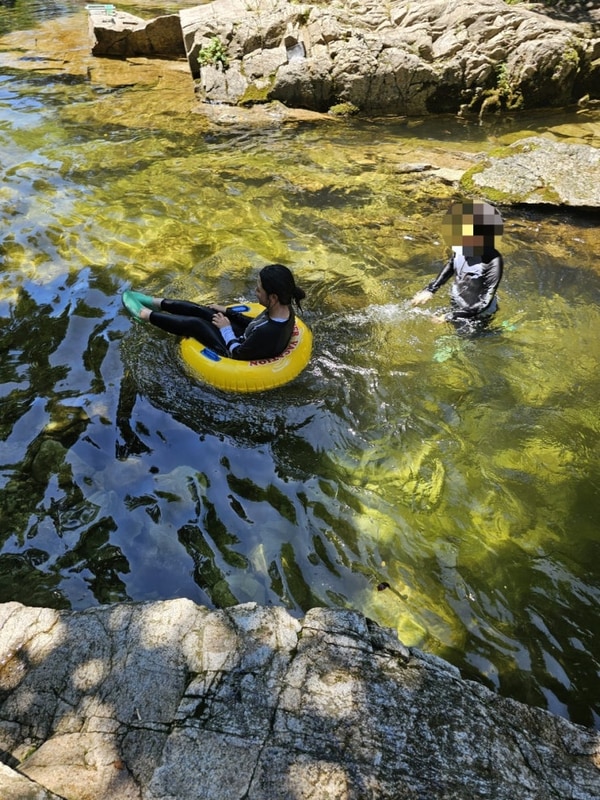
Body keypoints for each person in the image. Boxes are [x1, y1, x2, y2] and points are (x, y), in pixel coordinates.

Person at [122, 263, 306, 361]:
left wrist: (226, 329)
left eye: (259, 290)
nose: (255, 293)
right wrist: (227, 312)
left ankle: (144, 315)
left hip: (233, 351)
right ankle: (156, 302)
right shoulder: (282, 308)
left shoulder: (271, 331)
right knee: (204, 310)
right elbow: (253, 324)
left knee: (197, 324)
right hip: (245, 338)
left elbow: (238, 354)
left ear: (272, 297)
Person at [411, 201, 504, 326]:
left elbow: (485, 303)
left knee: (472, 339)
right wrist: (430, 290)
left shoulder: (493, 260)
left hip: (479, 313)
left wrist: (450, 316)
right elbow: (451, 265)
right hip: (459, 301)